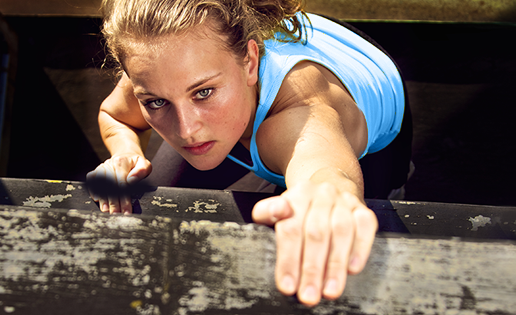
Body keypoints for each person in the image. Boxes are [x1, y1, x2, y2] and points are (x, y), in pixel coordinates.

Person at [87, 0, 411, 307]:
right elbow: (114, 116)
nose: (186, 131)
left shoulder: (296, 115)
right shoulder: (160, 69)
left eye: (203, 92)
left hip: (372, 102)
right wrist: (124, 153)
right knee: (150, 202)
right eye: (156, 102)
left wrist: (329, 195)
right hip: (251, 58)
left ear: (250, 62)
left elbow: (323, 167)